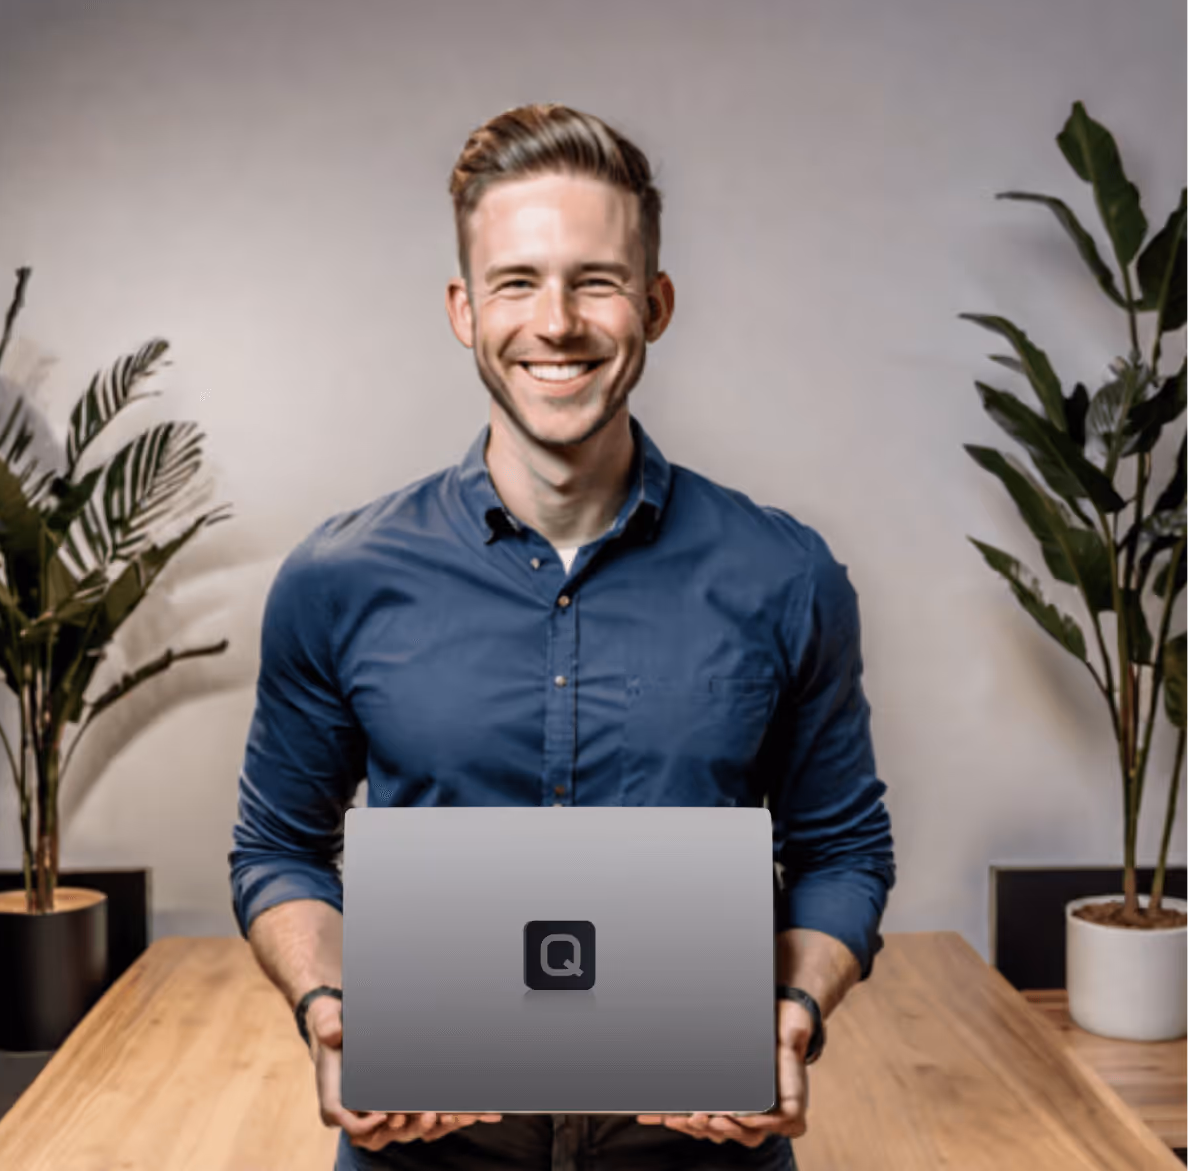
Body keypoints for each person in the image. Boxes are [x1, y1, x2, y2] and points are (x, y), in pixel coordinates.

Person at [228, 102, 896, 1171]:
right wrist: (326, 1008)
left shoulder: (788, 574)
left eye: (596, 280)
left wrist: (795, 1011)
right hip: (426, 1151)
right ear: (462, 308)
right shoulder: (336, 578)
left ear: (655, 303)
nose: (558, 321)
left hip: (699, 1153)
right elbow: (280, 848)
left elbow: (843, 849)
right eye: (517, 281)